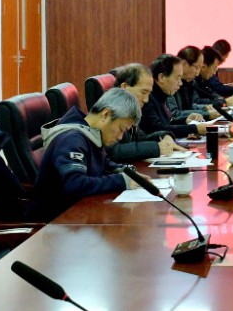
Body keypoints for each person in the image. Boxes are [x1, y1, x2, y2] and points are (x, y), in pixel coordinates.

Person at [27, 88, 145, 222]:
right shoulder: (72, 139)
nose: (120, 137)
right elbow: (74, 184)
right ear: (105, 114)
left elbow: (104, 163)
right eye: (121, 129)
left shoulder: (90, 135)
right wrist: (121, 181)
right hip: (52, 224)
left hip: (76, 218)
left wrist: (127, 172)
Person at [105, 63, 187, 163]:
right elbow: (113, 152)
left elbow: (140, 138)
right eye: (143, 92)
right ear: (124, 87)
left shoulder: (127, 111)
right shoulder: (109, 112)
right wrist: (157, 148)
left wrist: (164, 136)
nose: (146, 100)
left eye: (149, 93)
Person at [140, 54, 208, 138]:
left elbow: (167, 123)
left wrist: (186, 120)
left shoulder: (162, 94)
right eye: (177, 78)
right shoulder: (147, 98)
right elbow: (156, 128)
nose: (180, 83)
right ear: (161, 77)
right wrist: (195, 129)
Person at [168, 45, 218, 121]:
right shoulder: (169, 82)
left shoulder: (190, 82)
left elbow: (191, 106)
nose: (197, 74)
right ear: (184, 63)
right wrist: (206, 114)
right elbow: (173, 114)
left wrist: (205, 108)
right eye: (196, 67)